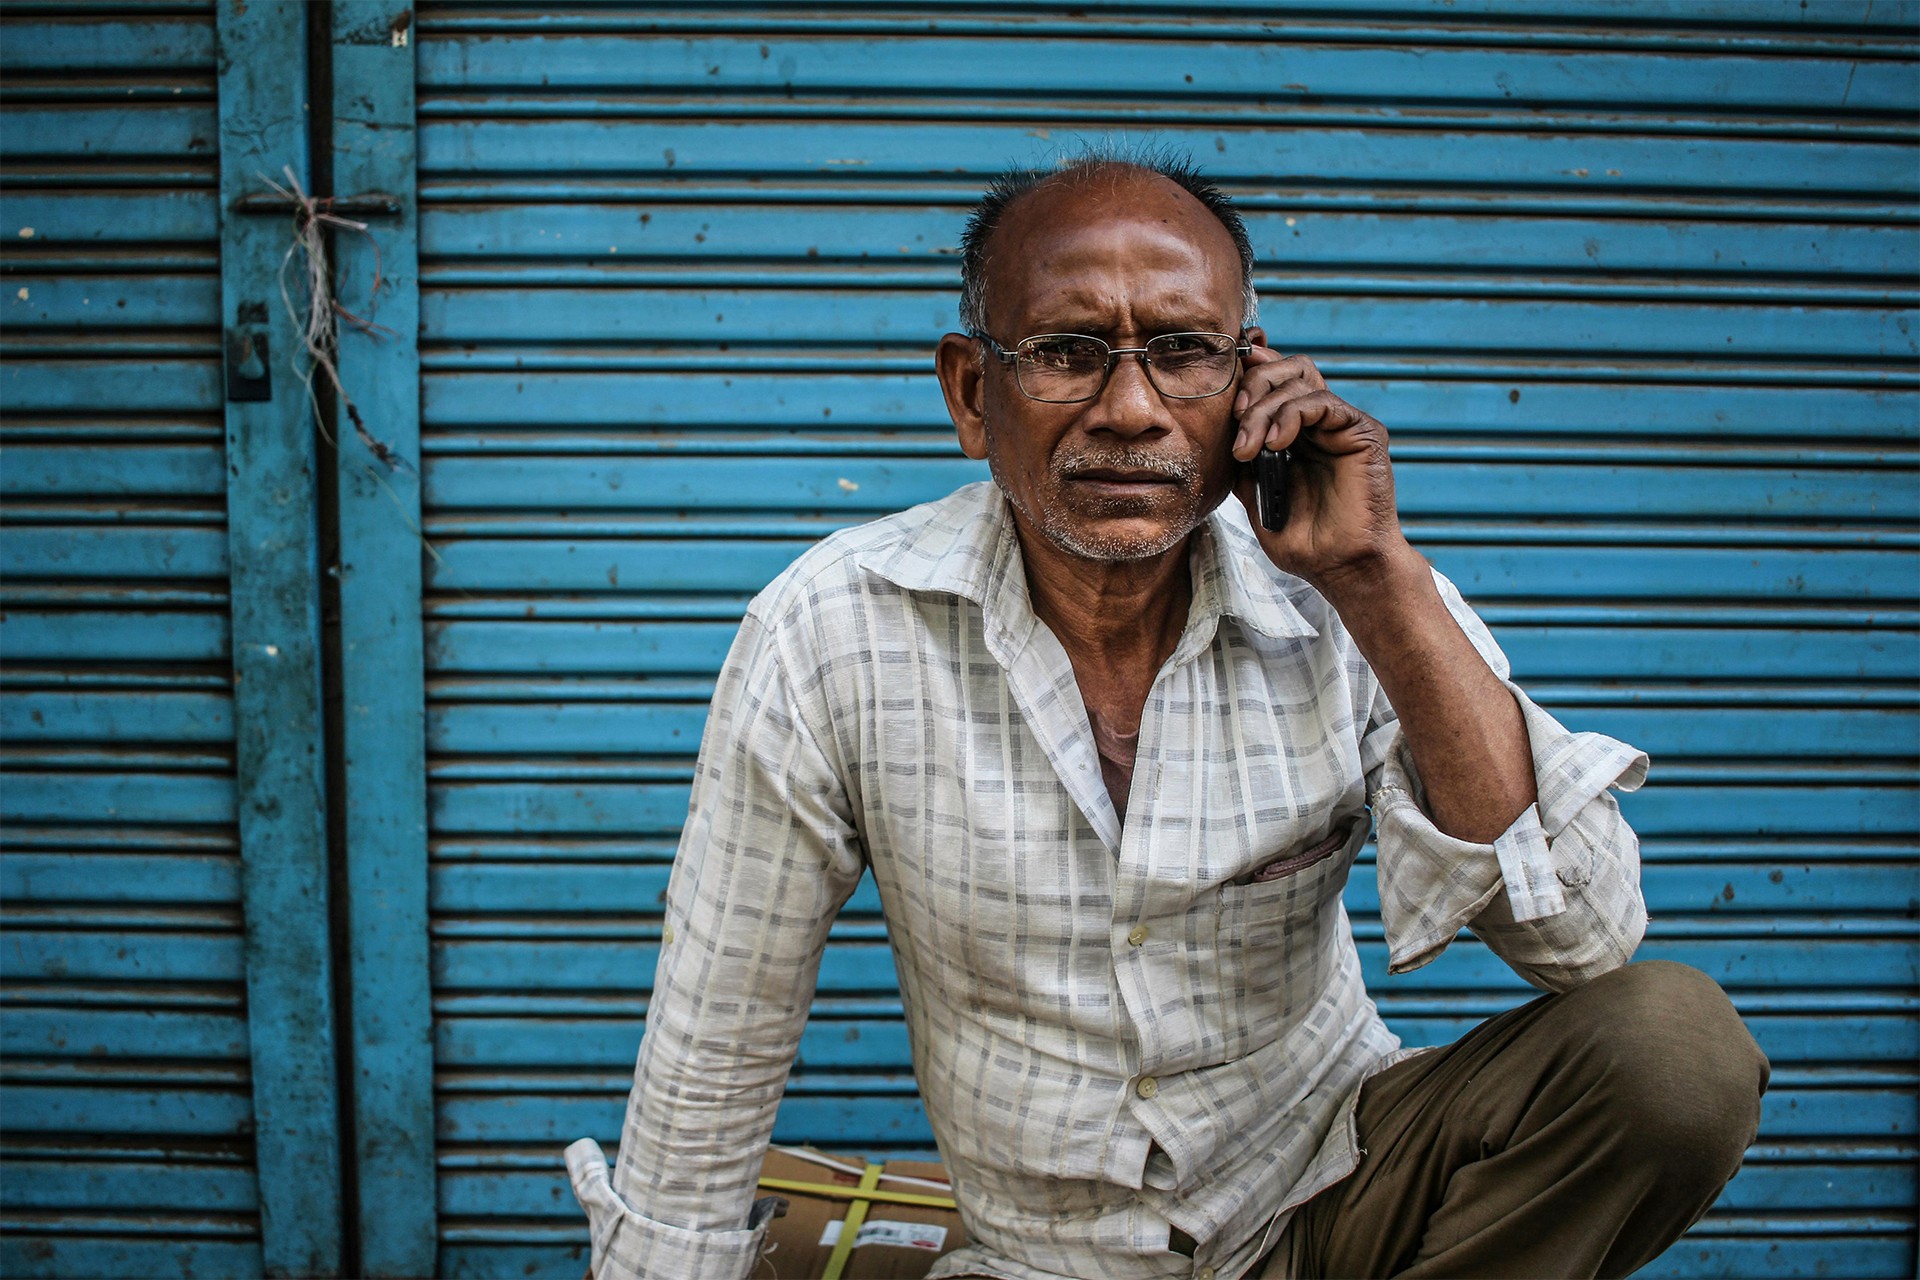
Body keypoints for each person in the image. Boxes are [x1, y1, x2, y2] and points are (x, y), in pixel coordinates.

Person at [565, 151, 1768, 1280]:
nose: (1131, 407)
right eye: (1068, 351)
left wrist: (1379, 581)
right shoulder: (831, 629)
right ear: (973, 392)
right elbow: (717, 1037)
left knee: (1674, 1053)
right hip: (1045, 1254)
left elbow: (1589, 945)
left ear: (1250, 382)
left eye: (1183, 351)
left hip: (1328, 1194)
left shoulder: (1354, 591)